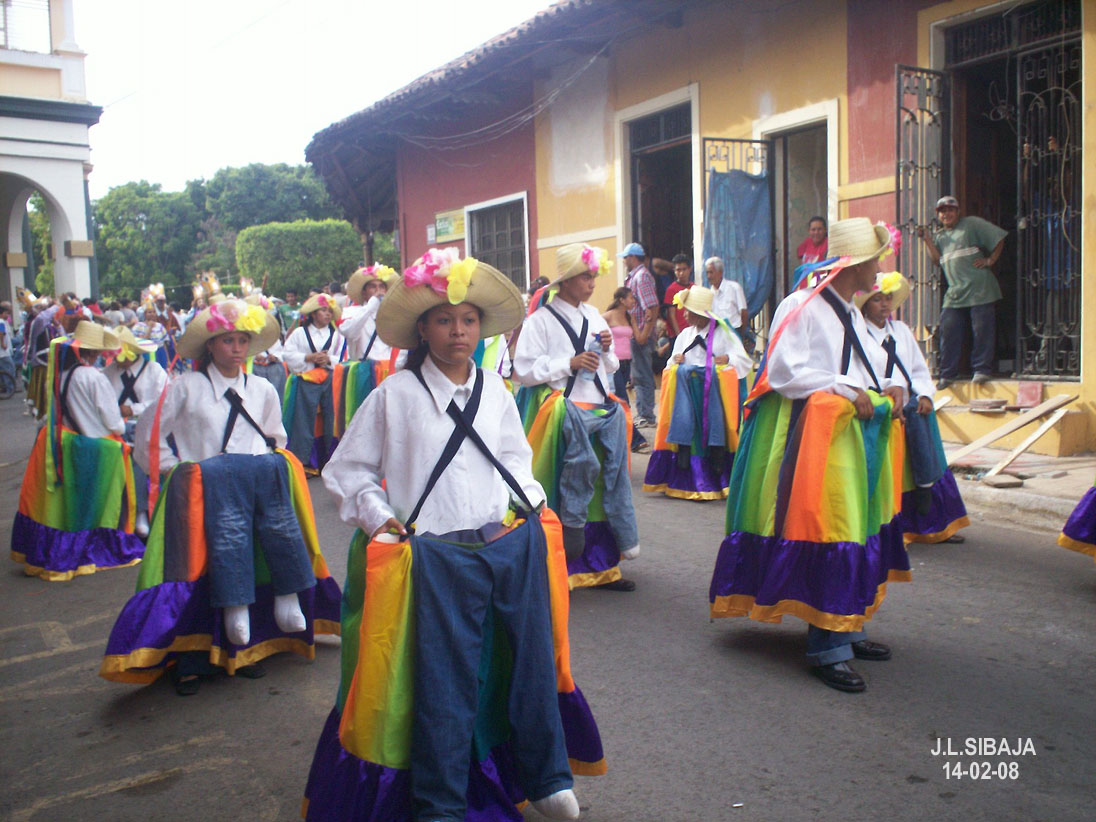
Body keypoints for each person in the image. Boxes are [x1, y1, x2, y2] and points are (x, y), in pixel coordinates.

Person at [309, 250, 603, 821]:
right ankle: (440, 803)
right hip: (432, 555)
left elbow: (514, 458)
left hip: (504, 544)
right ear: (423, 329)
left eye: (468, 320)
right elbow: (347, 471)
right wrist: (377, 516)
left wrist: (530, 503)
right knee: (444, 681)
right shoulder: (394, 395)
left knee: (530, 659)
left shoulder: (495, 389)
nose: (458, 331)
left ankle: (545, 775)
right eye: (444, 320)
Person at [708, 217, 910, 693]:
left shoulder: (853, 313)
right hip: (812, 438)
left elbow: (868, 368)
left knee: (856, 527)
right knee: (829, 529)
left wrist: (893, 385)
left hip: (851, 434)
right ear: (854, 265)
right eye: (874, 261)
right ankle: (828, 647)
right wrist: (841, 386)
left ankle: (847, 624)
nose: (879, 269)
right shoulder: (800, 306)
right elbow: (782, 372)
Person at [102, 298, 341, 695]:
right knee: (197, 572)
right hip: (200, 497)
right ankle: (191, 660)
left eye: (242, 340)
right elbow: (149, 436)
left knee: (251, 563)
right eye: (227, 340)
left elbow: (276, 439)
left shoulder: (262, 388)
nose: (236, 348)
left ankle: (245, 651)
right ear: (210, 345)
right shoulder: (186, 387)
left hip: (255, 497)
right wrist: (179, 472)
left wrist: (261, 471)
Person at [514, 243, 640, 592]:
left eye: (593, 276)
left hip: (598, 407)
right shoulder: (539, 321)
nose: (592, 283)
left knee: (604, 483)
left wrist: (607, 349)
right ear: (566, 281)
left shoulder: (595, 316)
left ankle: (601, 565)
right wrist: (567, 364)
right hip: (564, 411)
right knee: (567, 481)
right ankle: (560, 563)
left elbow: (610, 367)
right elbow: (523, 370)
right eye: (586, 277)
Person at [11, 321, 145, 581]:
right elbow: (114, 423)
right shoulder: (95, 378)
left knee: (73, 506)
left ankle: (67, 547)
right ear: (95, 352)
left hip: (69, 445)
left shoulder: (59, 376)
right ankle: (95, 547)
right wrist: (125, 418)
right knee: (100, 506)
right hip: (99, 450)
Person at [857, 272, 969, 545]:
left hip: (908, 397)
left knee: (922, 423)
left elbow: (918, 369)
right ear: (865, 304)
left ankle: (928, 501)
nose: (884, 305)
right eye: (877, 300)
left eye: (888, 299)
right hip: (880, 399)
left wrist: (925, 395)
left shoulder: (902, 331)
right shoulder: (858, 333)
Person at [643, 287, 750, 500]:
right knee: (684, 421)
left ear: (701, 314)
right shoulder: (685, 335)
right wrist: (676, 361)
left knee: (716, 425)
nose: (684, 315)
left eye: (688, 311)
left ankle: (717, 459)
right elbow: (670, 363)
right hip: (688, 392)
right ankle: (683, 460)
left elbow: (743, 361)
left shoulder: (723, 333)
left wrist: (728, 359)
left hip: (713, 393)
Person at [917, 195, 1007, 387]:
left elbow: (999, 237)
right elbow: (937, 260)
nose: (946, 214)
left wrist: (990, 260)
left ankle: (981, 370)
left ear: (958, 212)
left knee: (981, 330)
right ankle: (948, 373)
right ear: (938, 215)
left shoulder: (971, 224)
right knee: (949, 329)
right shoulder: (941, 236)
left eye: (950, 210)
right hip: (955, 291)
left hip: (979, 288)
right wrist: (927, 240)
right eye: (942, 211)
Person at [101, 324, 169, 537]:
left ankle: (140, 512)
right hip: (115, 428)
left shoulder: (154, 371)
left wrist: (133, 409)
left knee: (138, 457)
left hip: (148, 427)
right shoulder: (108, 373)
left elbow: (163, 401)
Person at [281, 293, 345, 473]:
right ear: (314, 313)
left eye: (329, 311)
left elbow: (343, 357)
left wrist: (328, 360)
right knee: (303, 419)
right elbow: (287, 353)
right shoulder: (300, 333)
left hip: (330, 379)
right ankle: (305, 461)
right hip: (306, 379)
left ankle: (330, 459)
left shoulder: (336, 335)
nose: (327, 314)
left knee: (331, 418)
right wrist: (308, 358)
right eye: (323, 310)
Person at [602, 287, 649, 454]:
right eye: (631, 298)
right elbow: (595, 333)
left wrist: (648, 322)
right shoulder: (608, 316)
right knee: (623, 402)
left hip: (626, 364)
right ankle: (635, 440)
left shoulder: (630, 317)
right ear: (621, 300)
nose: (633, 301)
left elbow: (640, 339)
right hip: (613, 364)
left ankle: (616, 438)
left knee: (616, 402)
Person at [620, 242, 658, 426]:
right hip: (637, 333)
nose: (624, 261)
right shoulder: (635, 277)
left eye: (625, 258)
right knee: (638, 375)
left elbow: (652, 306)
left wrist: (644, 334)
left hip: (641, 334)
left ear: (633, 258)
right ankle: (644, 412)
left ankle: (646, 415)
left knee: (642, 375)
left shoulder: (641, 277)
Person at [704, 256, 749, 333]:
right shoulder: (709, 294)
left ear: (720, 272)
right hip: (717, 334)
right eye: (707, 273)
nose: (709, 276)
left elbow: (743, 312)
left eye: (711, 272)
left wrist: (741, 335)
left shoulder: (734, 288)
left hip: (734, 332)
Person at [664, 254, 693, 338]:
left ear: (689, 269)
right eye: (678, 270)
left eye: (684, 269)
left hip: (692, 332)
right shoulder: (671, 289)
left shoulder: (694, 288)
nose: (681, 273)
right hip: (677, 334)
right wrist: (679, 335)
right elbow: (671, 315)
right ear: (674, 271)